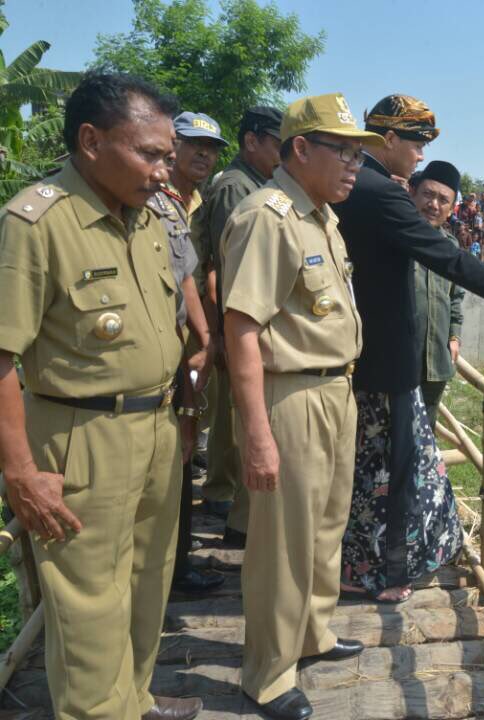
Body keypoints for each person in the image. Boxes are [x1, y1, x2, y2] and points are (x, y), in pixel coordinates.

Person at [0, 71, 203, 720]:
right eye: (149, 153)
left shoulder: (148, 219)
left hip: (157, 430)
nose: (163, 168)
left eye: (168, 155)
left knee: (148, 588)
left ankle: (133, 701)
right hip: (79, 440)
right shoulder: (38, 222)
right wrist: (21, 473)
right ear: (90, 140)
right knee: (89, 610)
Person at [332, 94, 484, 604]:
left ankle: (361, 564)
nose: (418, 157)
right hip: (385, 360)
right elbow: (446, 257)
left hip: (366, 353)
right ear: (388, 140)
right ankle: (379, 573)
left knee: (374, 469)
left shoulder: (354, 185)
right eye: (416, 144)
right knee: (389, 475)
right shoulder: (381, 193)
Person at [220, 93, 382, 720]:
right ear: (301, 150)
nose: (353, 164)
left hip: (335, 388)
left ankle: (312, 633)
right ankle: (266, 674)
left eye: (359, 152)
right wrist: (256, 432)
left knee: (324, 525)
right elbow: (241, 327)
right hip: (290, 394)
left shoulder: (321, 217)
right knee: (282, 542)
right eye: (342, 150)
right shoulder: (269, 217)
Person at [193, 105, 283, 547]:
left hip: (240, 317)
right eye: (277, 143)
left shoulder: (260, 184)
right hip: (234, 315)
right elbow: (229, 267)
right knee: (234, 415)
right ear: (253, 141)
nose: (285, 152)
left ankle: (225, 493)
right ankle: (220, 492)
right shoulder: (235, 188)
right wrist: (230, 333)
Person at [148, 110, 228, 596]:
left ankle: (177, 562)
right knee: (173, 447)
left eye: (211, 147)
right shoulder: (156, 200)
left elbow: (199, 275)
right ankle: (170, 568)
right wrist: (202, 337)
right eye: (194, 144)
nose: (204, 154)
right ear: (170, 145)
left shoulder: (195, 201)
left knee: (185, 435)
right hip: (165, 341)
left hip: (188, 342)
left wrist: (206, 337)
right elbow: (179, 280)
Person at [409, 162, 466, 429]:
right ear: (413, 194)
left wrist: (454, 334)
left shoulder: (450, 246)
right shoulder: (395, 237)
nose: (434, 204)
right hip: (399, 359)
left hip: (435, 361)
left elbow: (456, 297)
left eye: (443, 200)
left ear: (452, 208)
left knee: (425, 433)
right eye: (428, 195)